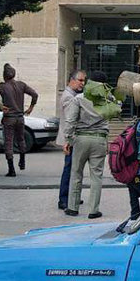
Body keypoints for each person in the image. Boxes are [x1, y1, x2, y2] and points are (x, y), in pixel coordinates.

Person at [57, 69, 108, 218]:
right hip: (99, 139)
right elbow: (108, 121)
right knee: (97, 176)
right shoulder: (109, 99)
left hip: (81, 139)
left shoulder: (79, 98)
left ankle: (72, 207)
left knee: (76, 173)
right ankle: (93, 210)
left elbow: (71, 120)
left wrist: (68, 139)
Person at [0, 63, 37, 177]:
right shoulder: (21, 85)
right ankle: (22, 160)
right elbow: (35, 94)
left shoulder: (2, 86)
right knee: (21, 139)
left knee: (9, 142)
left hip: (9, 119)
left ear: (4, 76)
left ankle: (11, 170)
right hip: (20, 118)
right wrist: (31, 107)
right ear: (14, 75)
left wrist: (0, 106)